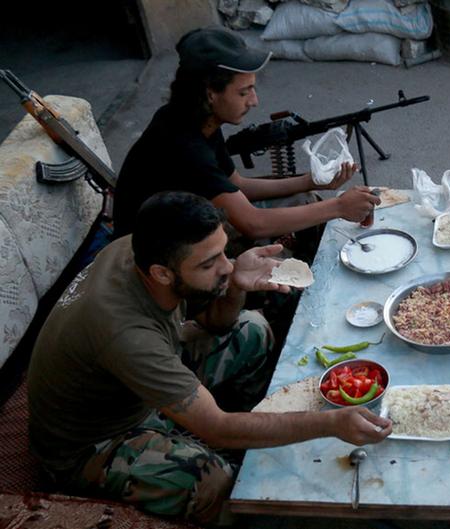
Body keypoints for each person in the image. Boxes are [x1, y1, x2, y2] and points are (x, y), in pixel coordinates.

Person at [28, 192, 392, 524]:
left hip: (135, 384)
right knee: (214, 479)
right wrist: (330, 423)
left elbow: (218, 322)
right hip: (94, 443)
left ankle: (246, 432)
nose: (227, 265)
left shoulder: (147, 248)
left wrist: (235, 286)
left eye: (223, 252)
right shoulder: (125, 332)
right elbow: (217, 426)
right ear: (162, 273)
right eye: (210, 263)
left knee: (252, 329)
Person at [113, 26, 380, 245]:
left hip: (184, 218)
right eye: (244, 92)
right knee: (280, 242)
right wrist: (338, 207)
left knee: (303, 200)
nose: (254, 101)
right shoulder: (183, 145)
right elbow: (253, 224)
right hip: (154, 250)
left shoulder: (197, 120)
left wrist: (311, 181)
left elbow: (237, 184)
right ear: (210, 94)